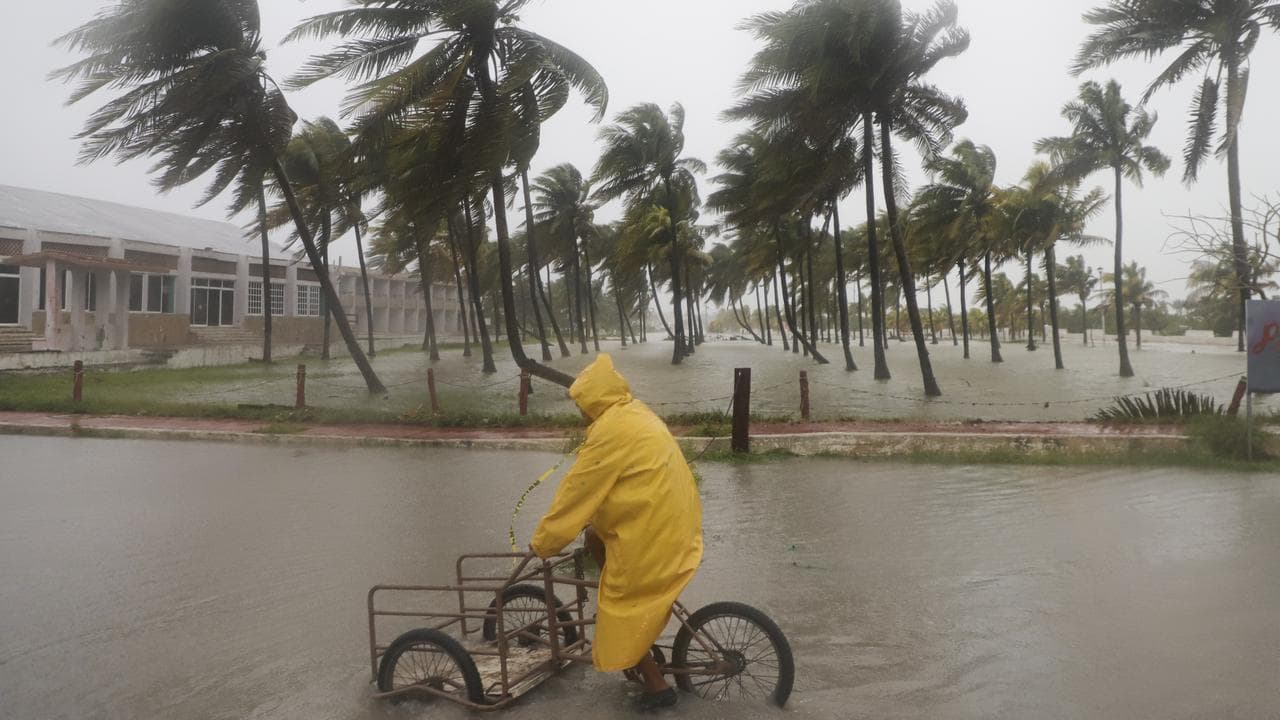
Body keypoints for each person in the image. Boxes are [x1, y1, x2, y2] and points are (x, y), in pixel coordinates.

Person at [530, 354, 703, 711]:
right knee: (595, 537)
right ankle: (645, 647)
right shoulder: (635, 412)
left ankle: (657, 687)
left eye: (581, 404)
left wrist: (544, 543)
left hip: (653, 534)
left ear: (593, 400)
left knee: (618, 608)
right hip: (677, 524)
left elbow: (575, 494)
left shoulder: (609, 432)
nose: (579, 412)